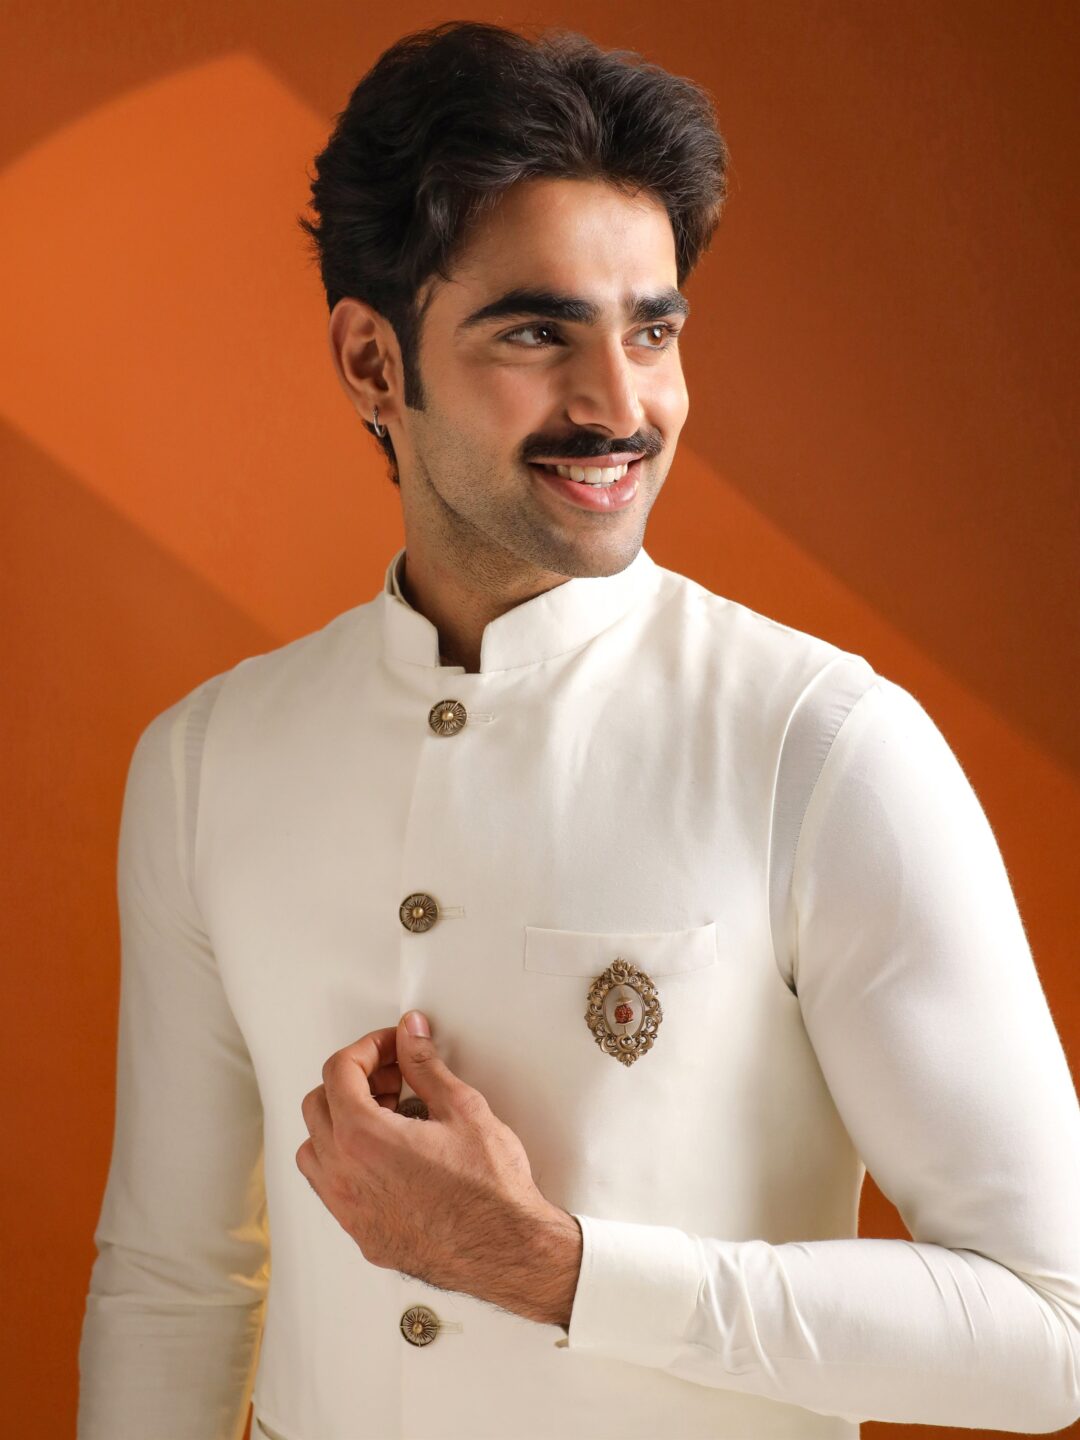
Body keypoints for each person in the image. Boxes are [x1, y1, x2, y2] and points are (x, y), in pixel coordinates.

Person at [76, 19, 1080, 1440]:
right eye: (539, 331)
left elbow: (1052, 1329)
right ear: (372, 361)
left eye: (653, 330)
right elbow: (174, 1283)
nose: (623, 406)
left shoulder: (820, 747)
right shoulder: (206, 763)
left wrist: (551, 1269)